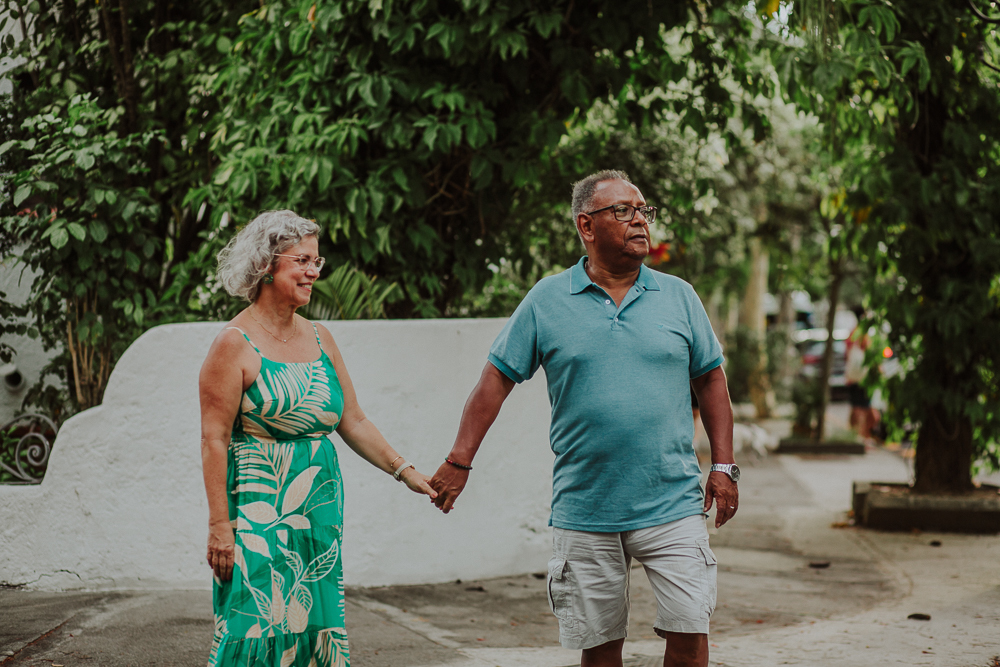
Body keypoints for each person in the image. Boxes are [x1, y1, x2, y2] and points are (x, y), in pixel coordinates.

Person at [429, 171, 738, 667]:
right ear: (586, 226)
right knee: (599, 649)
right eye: (623, 210)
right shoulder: (547, 300)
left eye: (643, 209)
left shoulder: (679, 296)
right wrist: (458, 460)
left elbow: (711, 381)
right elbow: (494, 382)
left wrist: (723, 467)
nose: (639, 219)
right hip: (585, 508)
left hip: (673, 504)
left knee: (690, 633)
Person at [199, 210, 437, 666]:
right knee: (256, 620)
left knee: (313, 620)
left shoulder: (321, 337)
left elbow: (354, 421)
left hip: (317, 507)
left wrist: (403, 470)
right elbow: (213, 440)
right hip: (257, 508)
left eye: (317, 261)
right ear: (268, 266)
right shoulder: (234, 343)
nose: (313, 272)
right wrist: (219, 526)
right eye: (302, 261)